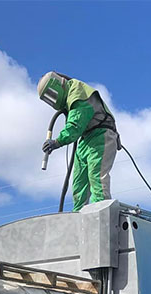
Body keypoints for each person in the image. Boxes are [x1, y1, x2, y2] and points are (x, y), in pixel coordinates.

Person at [38, 72, 120, 212]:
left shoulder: (77, 93)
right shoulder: (70, 98)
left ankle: (100, 212)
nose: (52, 100)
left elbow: (75, 126)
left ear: (57, 86)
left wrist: (56, 142)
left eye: (51, 94)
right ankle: (78, 216)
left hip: (101, 135)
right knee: (79, 181)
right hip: (86, 138)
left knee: (96, 177)